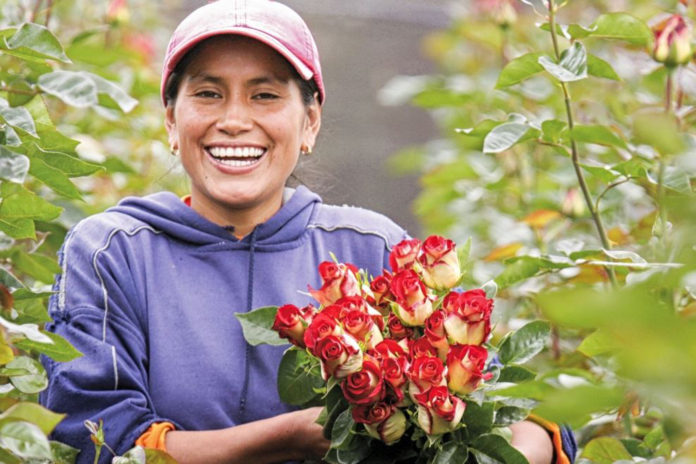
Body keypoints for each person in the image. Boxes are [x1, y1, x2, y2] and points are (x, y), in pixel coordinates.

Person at [40, 1, 575, 463]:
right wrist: (295, 435)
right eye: (207, 93)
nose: (233, 119)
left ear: (310, 122)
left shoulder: (373, 251)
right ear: (171, 122)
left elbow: (516, 415)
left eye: (264, 95)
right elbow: (99, 443)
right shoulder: (114, 253)